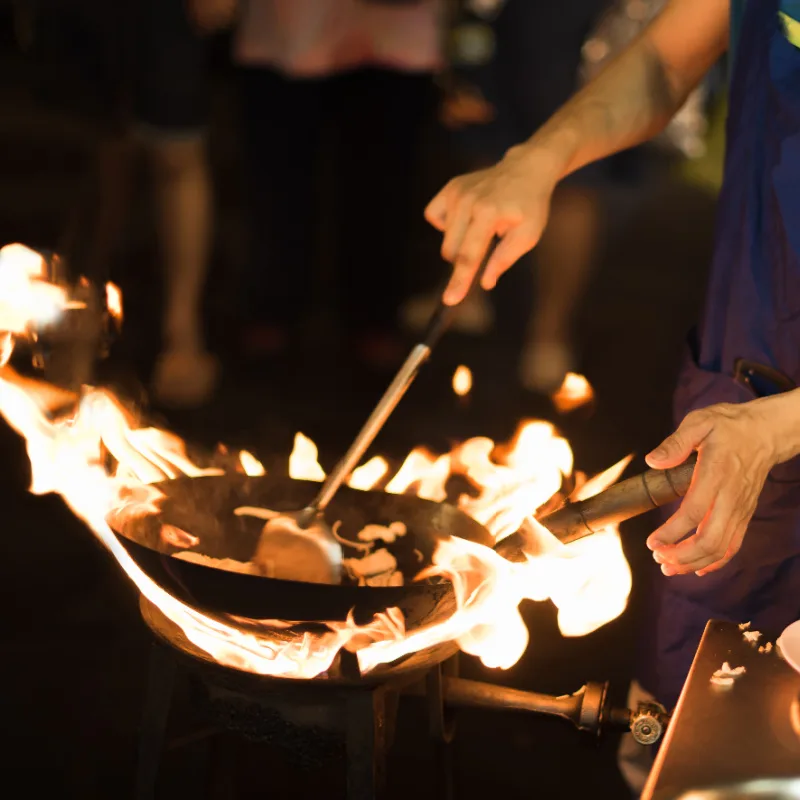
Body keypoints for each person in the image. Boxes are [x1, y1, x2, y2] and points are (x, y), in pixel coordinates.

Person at [423, 0, 800, 791]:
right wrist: (541, 155)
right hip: (748, 361)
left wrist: (778, 429)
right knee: (692, 745)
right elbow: (668, 58)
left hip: (766, 422)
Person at [233, 0, 441, 370]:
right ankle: (273, 304)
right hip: (288, 25)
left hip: (393, 38)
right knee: (277, 178)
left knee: (382, 187)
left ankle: (373, 314)